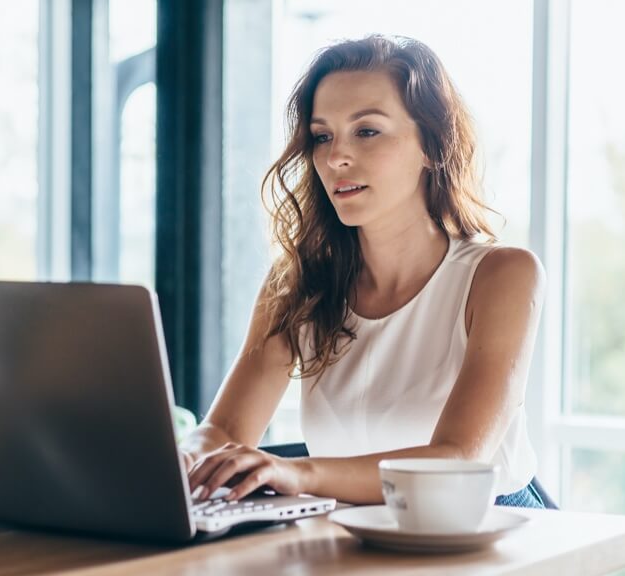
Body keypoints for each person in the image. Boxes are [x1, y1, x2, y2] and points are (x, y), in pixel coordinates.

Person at [180, 35, 547, 508]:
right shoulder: (296, 283)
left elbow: (457, 461)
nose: (336, 158)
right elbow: (224, 431)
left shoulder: (502, 274)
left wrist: (298, 473)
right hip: (352, 527)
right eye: (322, 136)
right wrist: (178, 460)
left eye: (367, 131)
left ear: (432, 146)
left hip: (489, 532)